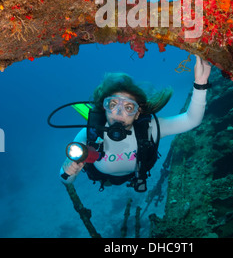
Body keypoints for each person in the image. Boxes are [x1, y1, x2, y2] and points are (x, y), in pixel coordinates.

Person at [60, 56, 211, 192]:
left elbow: (192, 120)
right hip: (102, 177)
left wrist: (201, 83)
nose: (119, 112)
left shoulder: (149, 129)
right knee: (107, 182)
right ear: (104, 107)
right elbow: (65, 180)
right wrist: (69, 170)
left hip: (135, 174)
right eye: (112, 104)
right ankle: (108, 182)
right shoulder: (88, 133)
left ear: (138, 113)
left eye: (129, 107)